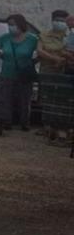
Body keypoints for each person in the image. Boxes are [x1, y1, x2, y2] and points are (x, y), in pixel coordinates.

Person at [0, 14, 39, 133]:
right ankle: (7, 121)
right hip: (7, 72)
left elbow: (41, 51)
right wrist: (1, 55)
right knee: (6, 98)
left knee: (25, 99)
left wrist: (33, 62)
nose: (11, 27)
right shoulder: (6, 37)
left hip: (24, 73)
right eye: (9, 24)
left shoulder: (32, 39)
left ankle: (24, 122)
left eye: (13, 24)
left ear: (21, 24)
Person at [37, 10, 73, 141]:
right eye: (57, 20)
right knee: (46, 98)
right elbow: (40, 51)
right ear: (52, 20)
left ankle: (59, 127)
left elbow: (68, 52)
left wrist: (62, 60)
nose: (60, 23)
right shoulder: (45, 35)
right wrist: (55, 59)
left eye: (63, 21)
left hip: (63, 71)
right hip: (47, 71)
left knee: (61, 100)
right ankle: (46, 126)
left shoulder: (69, 36)